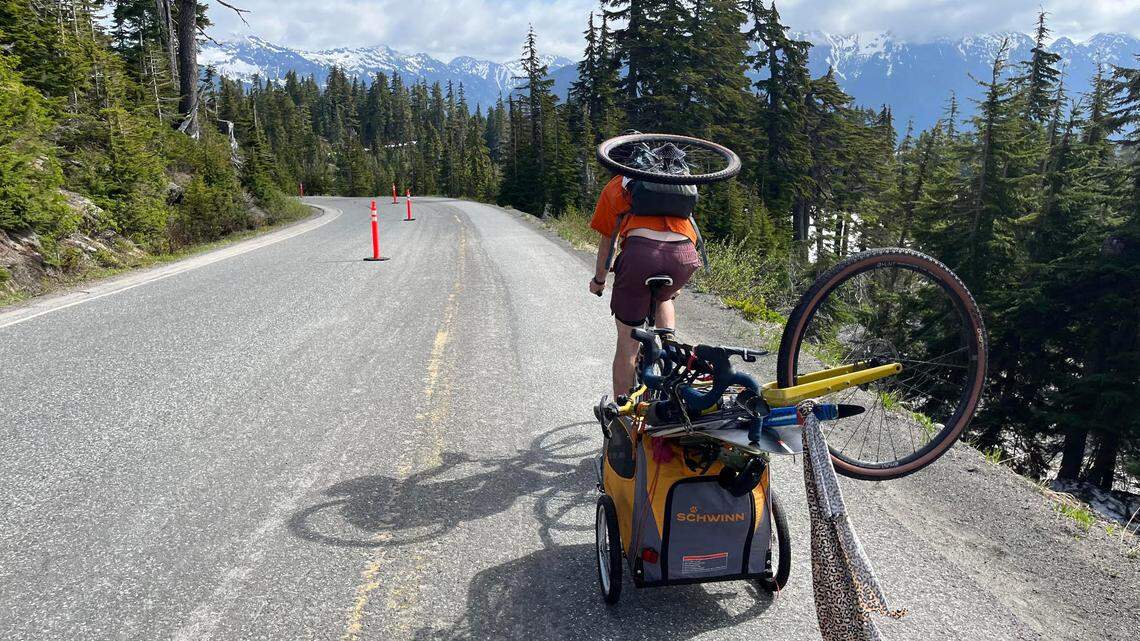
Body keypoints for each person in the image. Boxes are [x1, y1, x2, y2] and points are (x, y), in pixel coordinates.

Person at [588, 172, 702, 403]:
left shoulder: (618, 185)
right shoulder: (673, 179)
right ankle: (669, 348)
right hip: (684, 256)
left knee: (627, 344)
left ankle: (620, 417)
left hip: (640, 256)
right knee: (664, 297)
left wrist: (599, 280)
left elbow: (607, 241)